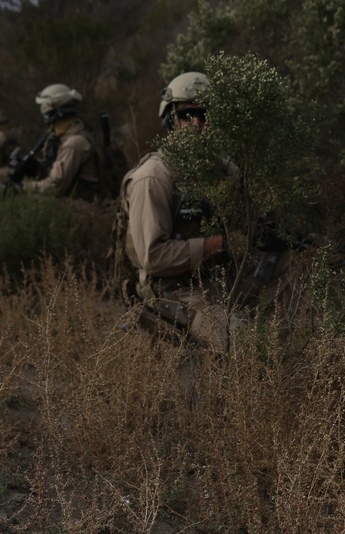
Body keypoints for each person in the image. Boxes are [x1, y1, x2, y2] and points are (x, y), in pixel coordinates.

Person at [114, 71, 292, 351]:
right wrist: (222, 243)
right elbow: (154, 257)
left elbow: (252, 221)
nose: (198, 124)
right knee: (239, 342)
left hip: (221, 278)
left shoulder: (224, 170)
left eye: (205, 116)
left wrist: (265, 234)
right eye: (188, 115)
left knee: (294, 268)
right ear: (170, 119)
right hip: (173, 290)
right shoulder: (154, 177)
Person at [24, 84, 104, 201]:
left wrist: (25, 187)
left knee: (28, 202)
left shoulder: (73, 144)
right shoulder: (75, 135)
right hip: (82, 202)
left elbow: (54, 188)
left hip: (85, 206)